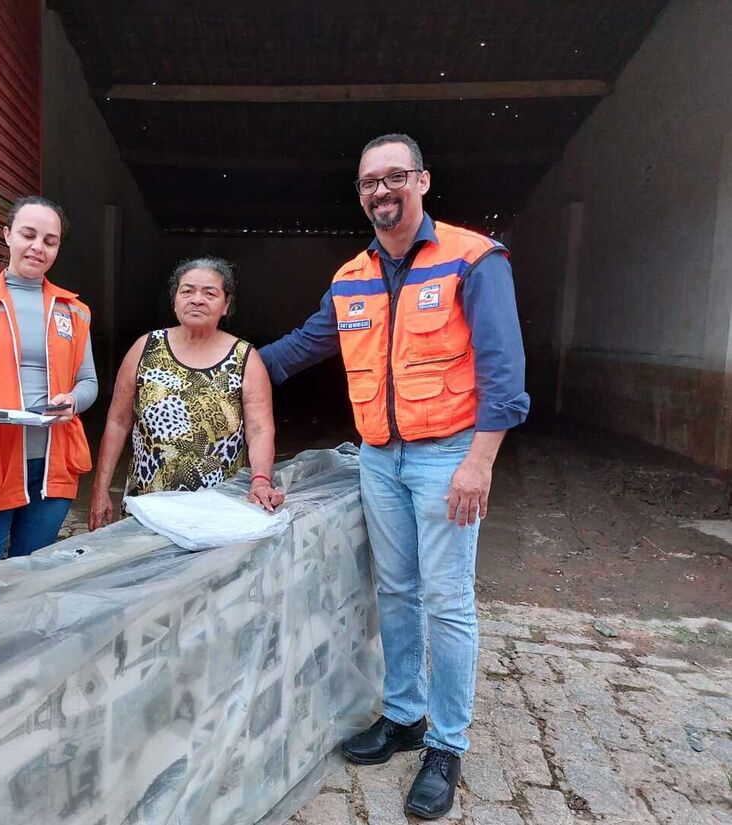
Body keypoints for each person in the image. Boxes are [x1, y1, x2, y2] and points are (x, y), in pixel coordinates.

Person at [259, 133, 528, 819]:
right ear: (360, 195)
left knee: (447, 599)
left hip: (447, 457)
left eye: (395, 177)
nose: (382, 190)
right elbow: (300, 347)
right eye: (369, 182)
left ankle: (446, 742)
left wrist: (480, 462)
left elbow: (504, 372)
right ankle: (404, 714)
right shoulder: (351, 276)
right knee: (398, 590)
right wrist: (229, 368)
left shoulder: (474, 258)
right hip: (379, 456)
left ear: (422, 181)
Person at [0, 196, 98, 560]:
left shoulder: (74, 311)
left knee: (31, 580)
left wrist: (73, 400)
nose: (38, 247)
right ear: (7, 235)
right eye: (28, 235)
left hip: (52, 462)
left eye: (50, 241)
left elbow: (88, 381)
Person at [88, 257, 285, 531]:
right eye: (187, 290)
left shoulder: (244, 358)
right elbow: (118, 422)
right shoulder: (145, 348)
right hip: (148, 505)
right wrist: (100, 489)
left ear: (226, 305)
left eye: (209, 293)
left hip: (216, 508)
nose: (197, 299)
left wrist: (260, 479)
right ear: (175, 300)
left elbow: (260, 428)